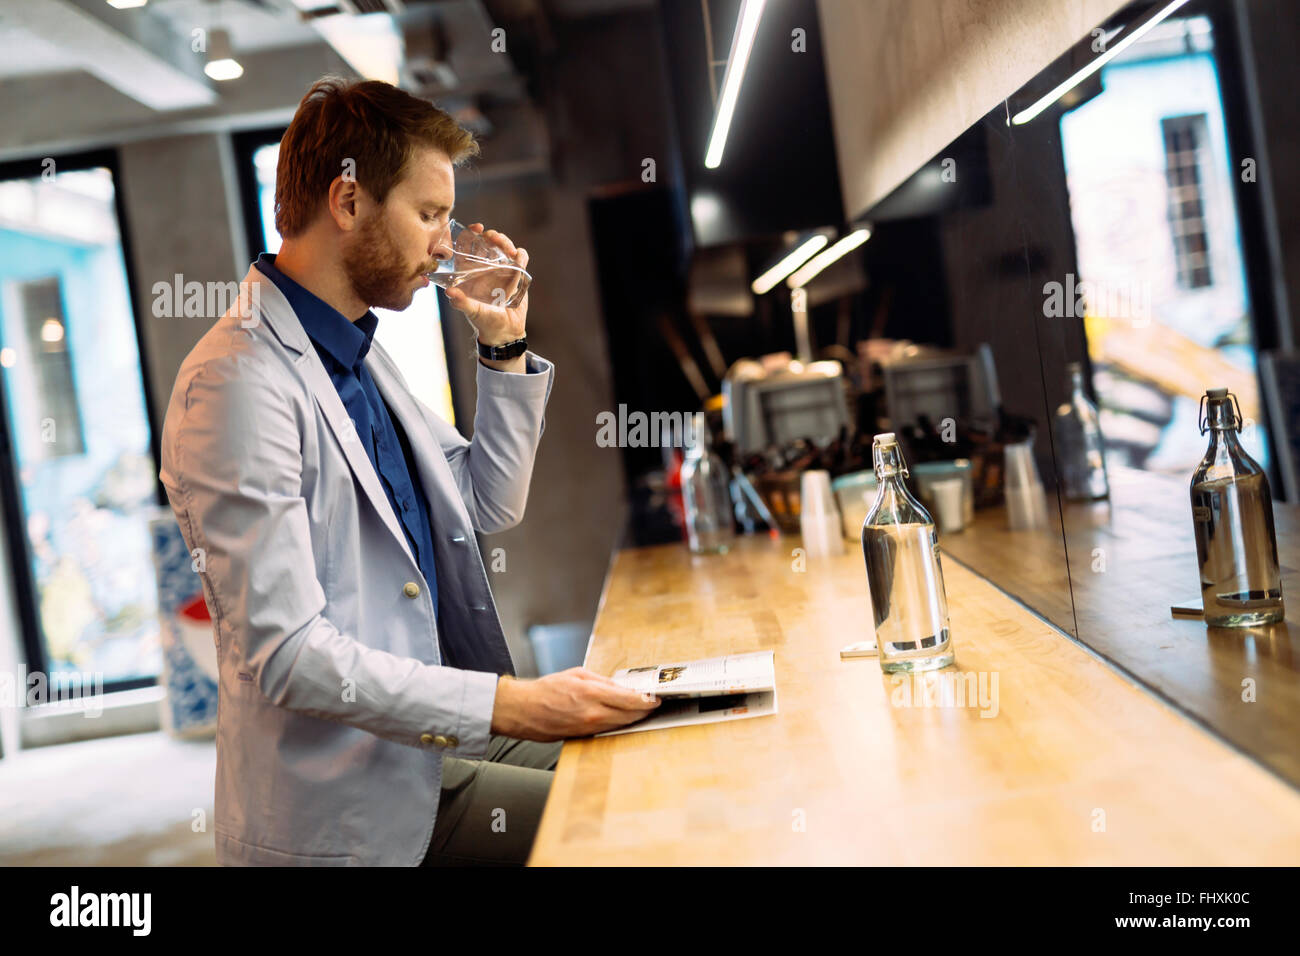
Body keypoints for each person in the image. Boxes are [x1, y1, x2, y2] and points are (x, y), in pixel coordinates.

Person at [159, 75, 660, 866]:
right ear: (349, 202)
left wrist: (502, 346)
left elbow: (485, 502)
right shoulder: (234, 383)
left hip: (432, 751)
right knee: (630, 831)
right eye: (429, 214)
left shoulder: (358, 353)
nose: (443, 242)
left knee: (652, 769)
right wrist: (509, 704)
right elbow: (286, 653)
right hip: (354, 806)